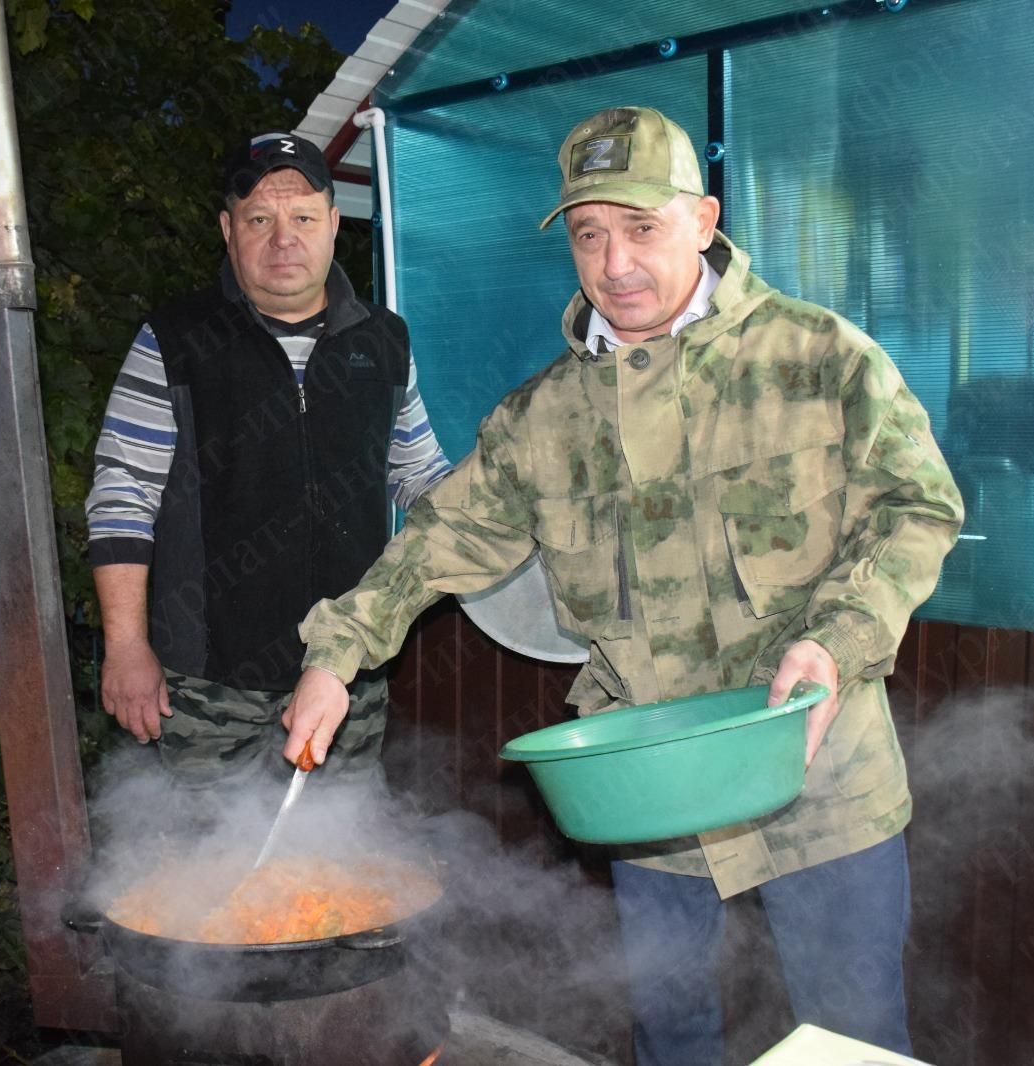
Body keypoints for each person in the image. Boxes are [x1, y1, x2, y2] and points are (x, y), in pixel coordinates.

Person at [279, 107, 963, 1062]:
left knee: (853, 1041)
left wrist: (836, 639)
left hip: (820, 777)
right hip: (650, 796)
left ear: (703, 217)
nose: (615, 264)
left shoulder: (817, 360)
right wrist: (336, 653)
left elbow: (917, 507)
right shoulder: (541, 419)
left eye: (641, 228)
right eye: (590, 235)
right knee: (671, 1030)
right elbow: (437, 542)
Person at [84, 132, 451, 789]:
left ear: (335, 224)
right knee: (202, 869)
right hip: (203, 685)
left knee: (336, 873)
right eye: (260, 219)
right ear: (228, 230)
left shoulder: (385, 340)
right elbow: (121, 497)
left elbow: (420, 476)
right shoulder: (174, 339)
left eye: (304, 217)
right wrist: (126, 646)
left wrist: (507, 509)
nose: (285, 240)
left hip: (347, 678)